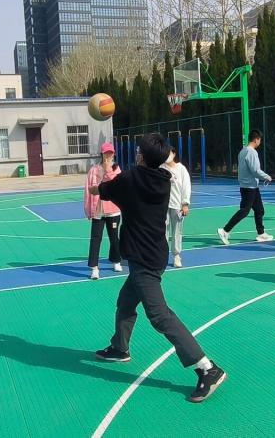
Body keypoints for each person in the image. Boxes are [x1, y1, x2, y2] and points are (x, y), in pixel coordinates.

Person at [90, 132, 226, 403]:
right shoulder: (163, 179)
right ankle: (120, 347)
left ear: (142, 156)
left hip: (143, 260)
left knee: (159, 315)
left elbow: (100, 190)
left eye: (138, 151)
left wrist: (103, 172)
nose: (136, 154)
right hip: (155, 253)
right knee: (126, 302)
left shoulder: (130, 180)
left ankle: (207, 368)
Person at [218, 130, 273, 245]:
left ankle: (261, 233)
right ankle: (225, 230)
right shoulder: (251, 152)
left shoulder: (242, 151)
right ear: (256, 139)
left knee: (259, 210)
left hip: (251, 186)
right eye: (260, 140)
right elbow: (255, 170)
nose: (260, 142)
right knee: (244, 211)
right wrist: (267, 177)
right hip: (249, 187)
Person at [83, 142, 122, 280]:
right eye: (106, 153)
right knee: (95, 239)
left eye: (111, 153)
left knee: (114, 238)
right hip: (98, 211)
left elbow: (117, 185)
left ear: (114, 154)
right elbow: (89, 190)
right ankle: (94, 268)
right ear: (102, 154)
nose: (108, 155)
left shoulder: (116, 169)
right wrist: (88, 209)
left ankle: (116, 260)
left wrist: (108, 169)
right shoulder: (94, 170)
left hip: (113, 209)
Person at [163, 147, 191, 268]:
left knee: (177, 231)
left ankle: (176, 256)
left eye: (168, 153)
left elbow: (186, 186)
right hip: (163, 205)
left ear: (174, 154)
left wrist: (185, 204)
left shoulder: (181, 169)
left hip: (177, 205)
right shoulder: (161, 168)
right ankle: (162, 256)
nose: (166, 155)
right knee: (162, 231)